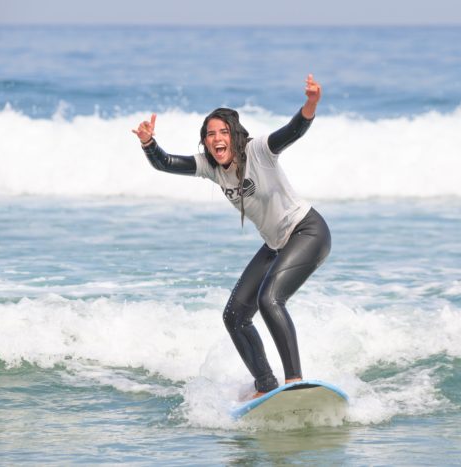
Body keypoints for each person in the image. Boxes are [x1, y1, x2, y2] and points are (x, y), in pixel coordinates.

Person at [132, 74, 331, 398]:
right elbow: (166, 163)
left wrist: (310, 104)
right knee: (235, 316)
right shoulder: (211, 167)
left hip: (307, 231)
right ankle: (265, 385)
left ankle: (294, 381)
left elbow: (294, 130)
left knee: (270, 300)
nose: (216, 139)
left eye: (223, 132)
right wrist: (148, 143)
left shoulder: (259, 151)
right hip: (275, 245)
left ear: (235, 135)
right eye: (210, 134)